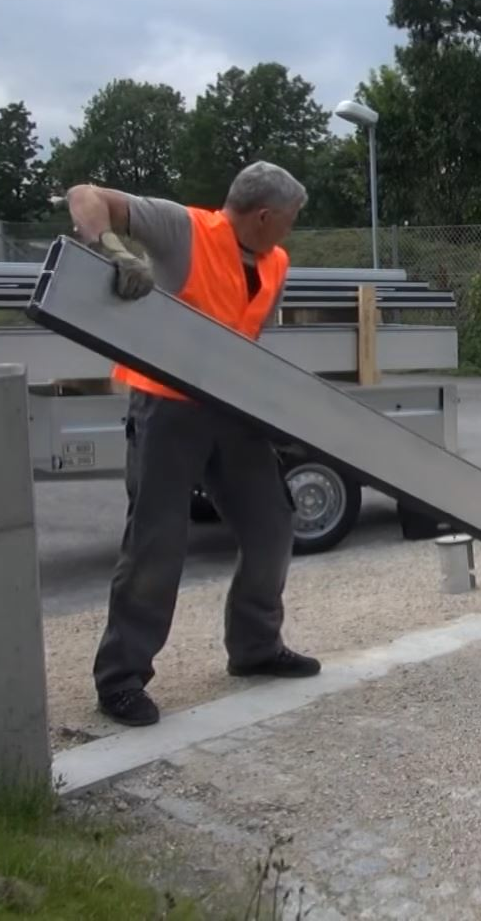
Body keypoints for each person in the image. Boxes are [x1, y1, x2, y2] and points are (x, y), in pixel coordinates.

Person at [66, 161, 321, 728]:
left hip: (231, 408)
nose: (292, 228)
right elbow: (84, 195)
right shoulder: (184, 228)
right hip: (167, 406)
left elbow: (247, 338)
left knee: (272, 524)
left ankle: (255, 647)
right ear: (264, 215)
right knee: (156, 542)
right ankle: (121, 679)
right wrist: (112, 248)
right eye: (290, 218)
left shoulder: (276, 262)